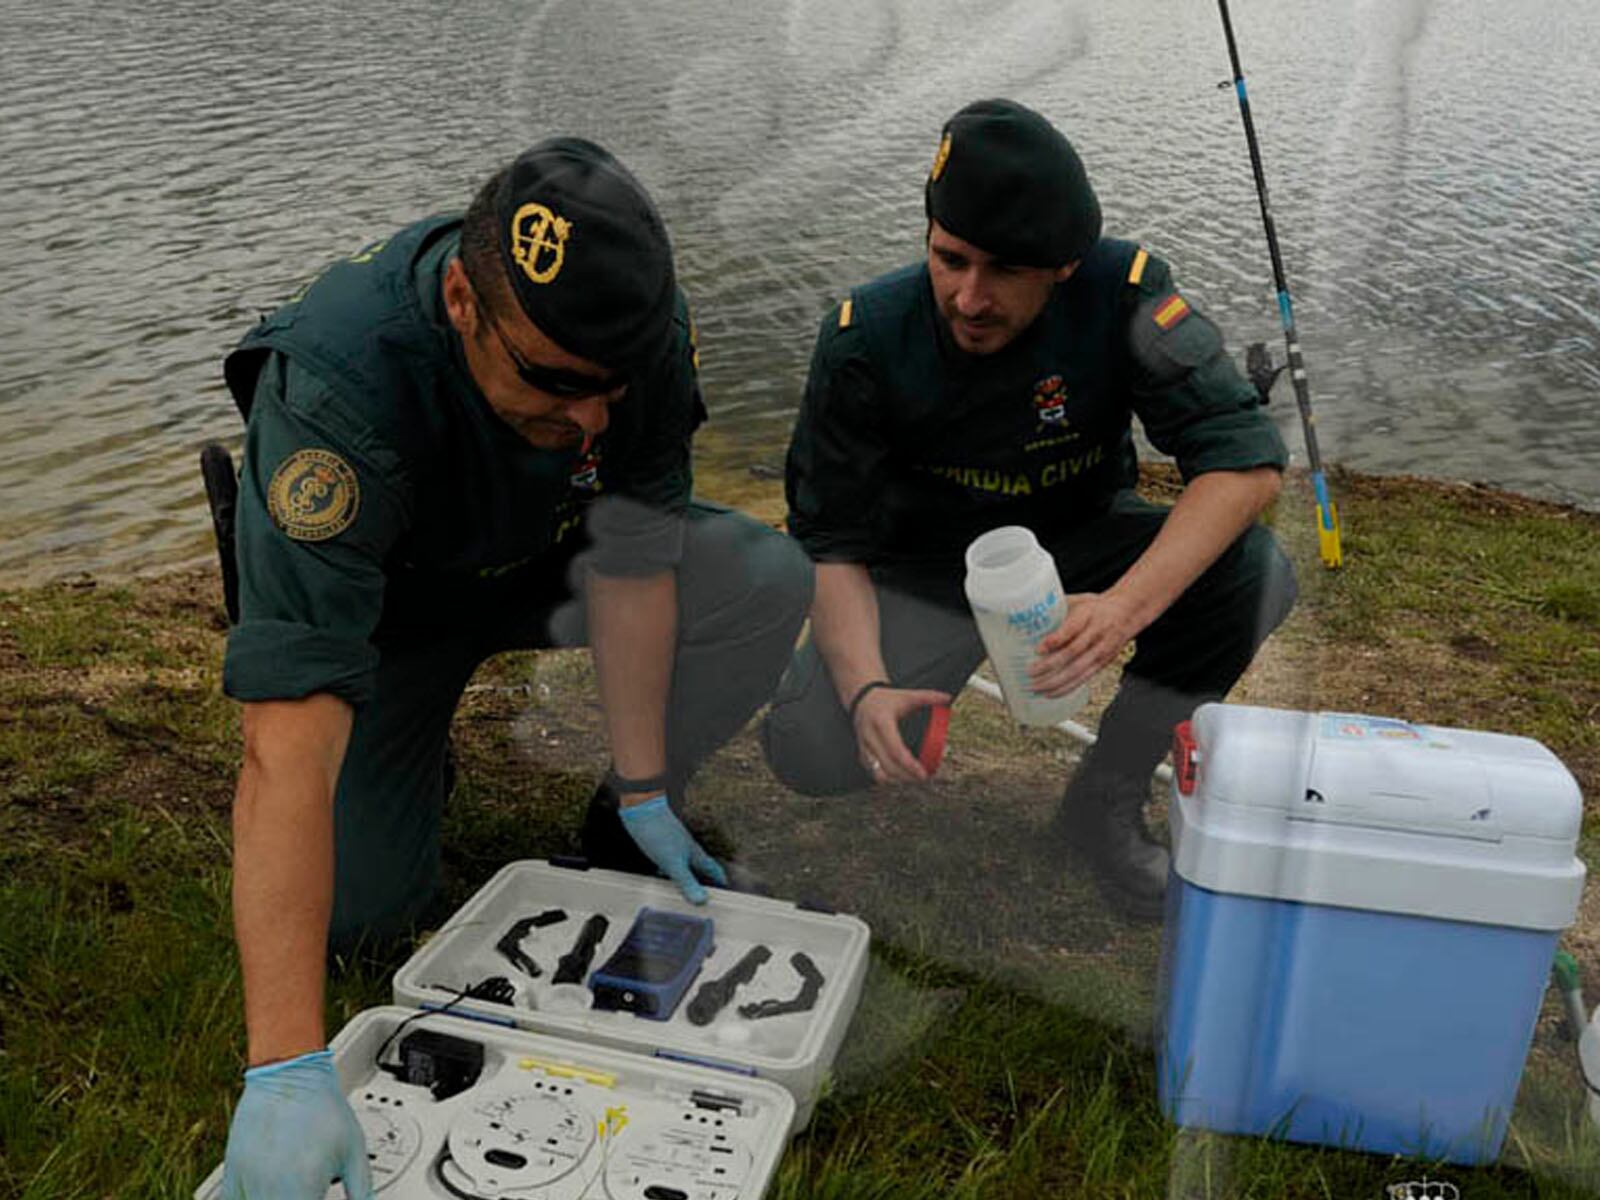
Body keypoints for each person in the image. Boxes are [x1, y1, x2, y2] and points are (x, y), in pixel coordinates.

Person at [216, 138, 812, 1198]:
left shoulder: (631, 337)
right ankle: (405, 755)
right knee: (357, 923)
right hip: (387, 616)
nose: (588, 417)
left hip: (547, 555)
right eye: (554, 383)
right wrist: (286, 1065)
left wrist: (641, 784)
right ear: (461, 300)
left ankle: (619, 828)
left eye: (608, 391)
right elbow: (286, 739)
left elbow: (634, 558)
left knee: (762, 574)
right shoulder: (337, 394)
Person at [762, 98, 1297, 921]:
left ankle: (1105, 799)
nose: (970, 298)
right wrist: (867, 689)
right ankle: (892, 699)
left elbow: (1245, 465)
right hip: (926, 572)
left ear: (1064, 265)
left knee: (1253, 570)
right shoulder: (864, 338)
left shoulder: (1130, 296)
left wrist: (1122, 609)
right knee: (809, 747)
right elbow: (832, 544)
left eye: (1004, 271)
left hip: (1079, 540)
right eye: (951, 259)